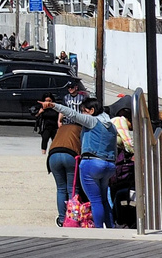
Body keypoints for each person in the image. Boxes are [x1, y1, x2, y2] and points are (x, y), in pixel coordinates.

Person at [48, 96, 116, 227]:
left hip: (92, 163)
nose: (82, 114)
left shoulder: (92, 121)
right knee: (104, 200)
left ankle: (98, 229)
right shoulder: (111, 126)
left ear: (91, 110)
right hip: (109, 164)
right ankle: (111, 226)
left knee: (95, 200)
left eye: (84, 111)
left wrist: (54, 106)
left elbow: (72, 114)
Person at [39, 96, 83, 225]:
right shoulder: (80, 129)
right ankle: (73, 217)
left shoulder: (62, 128)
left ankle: (62, 218)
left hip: (53, 156)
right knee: (72, 188)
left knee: (60, 189)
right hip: (70, 155)